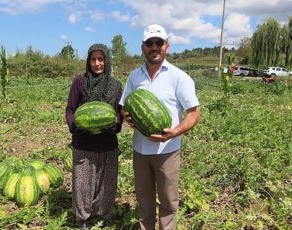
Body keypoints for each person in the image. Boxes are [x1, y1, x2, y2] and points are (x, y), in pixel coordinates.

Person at [119, 24, 201, 230]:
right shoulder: (134, 76)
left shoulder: (179, 77)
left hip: (168, 151)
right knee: (144, 200)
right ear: (143, 48)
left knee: (168, 202)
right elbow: (124, 106)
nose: (154, 47)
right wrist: (127, 116)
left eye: (158, 43)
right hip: (140, 149)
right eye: (149, 43)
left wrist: (175, 132)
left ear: (167, 46)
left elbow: (194, 113)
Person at [65, 43, 123, 229]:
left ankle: (103, 216)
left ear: (107, 61)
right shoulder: (79, 82)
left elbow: (119, 113)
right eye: (93, 59)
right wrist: (75, 126)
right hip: (84, 144)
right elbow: (70, 110)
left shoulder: (115, 85)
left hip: (108, 144)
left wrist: (116, 126)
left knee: (107, 183)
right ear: (88, 61)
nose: (97, 63)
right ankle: (82, 219)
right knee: (82, 185)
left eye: (101, 59)